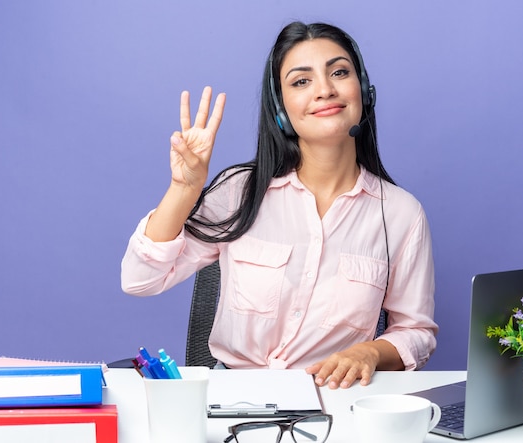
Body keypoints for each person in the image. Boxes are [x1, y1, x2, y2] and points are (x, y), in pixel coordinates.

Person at [121, 21, 437, 389]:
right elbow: (139, 280)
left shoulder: (400, 213)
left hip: (334, 402)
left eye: (339, 72)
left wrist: (370, 352)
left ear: (364, 92)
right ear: (281, 109)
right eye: (301, 81)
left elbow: (416, 331)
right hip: (235, 403)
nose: (324, 89)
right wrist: (183, 189)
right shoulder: (241, 191)